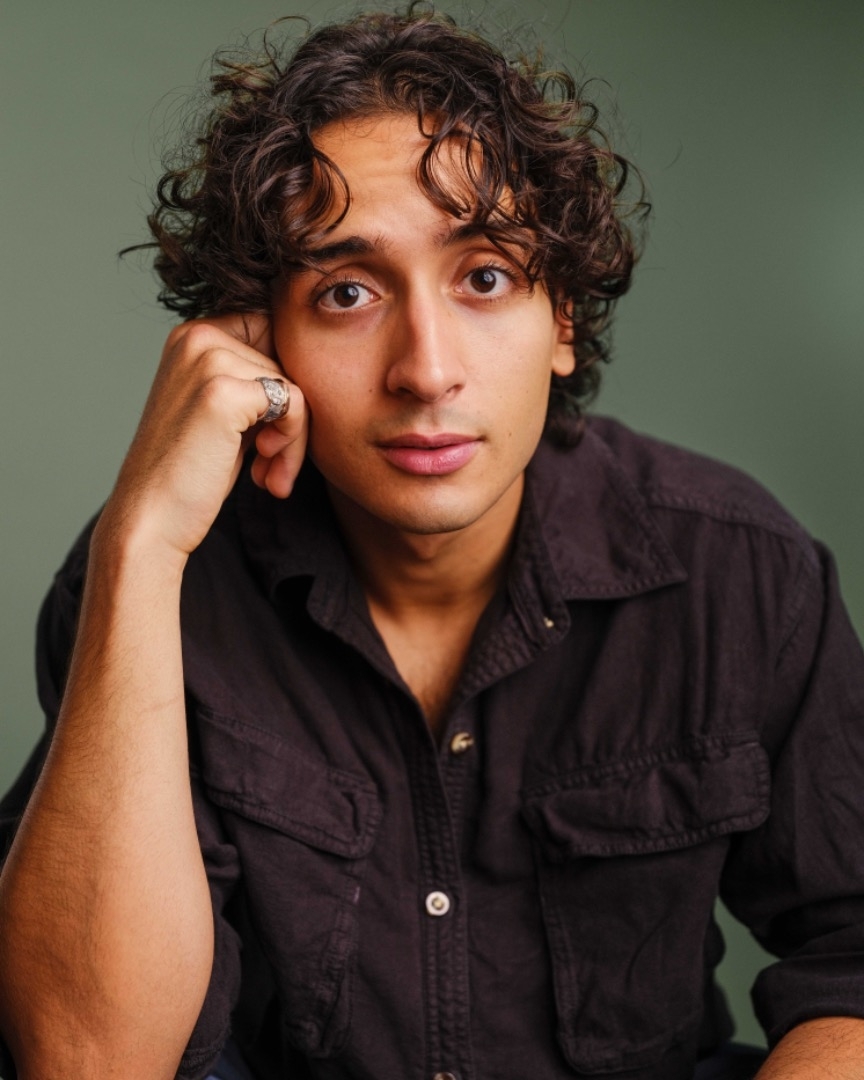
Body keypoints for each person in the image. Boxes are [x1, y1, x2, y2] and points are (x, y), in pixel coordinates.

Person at [1, 8, 863, 1080]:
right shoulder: (157, 586)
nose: (426, 370)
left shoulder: (743, 574)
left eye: (485, 276)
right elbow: (87, 1057)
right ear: (257, 342)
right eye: (347, 292)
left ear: (563, 320)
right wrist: (141, 538)